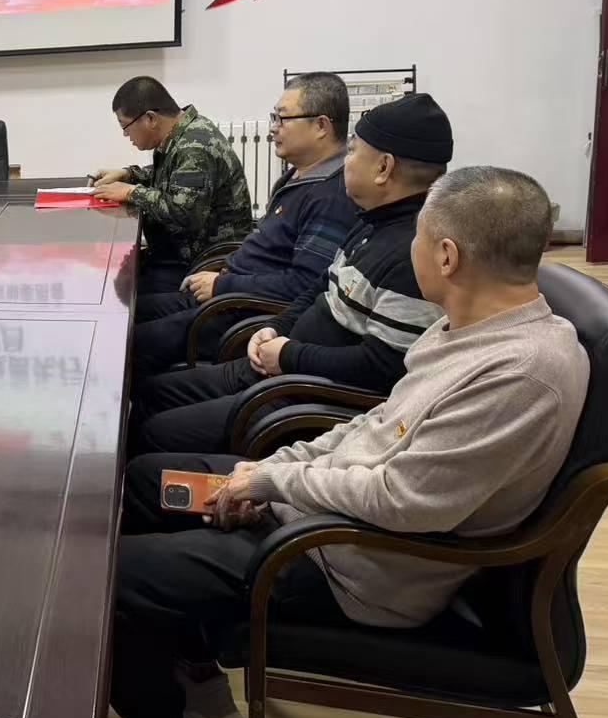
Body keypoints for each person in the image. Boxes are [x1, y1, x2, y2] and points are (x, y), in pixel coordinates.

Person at [99, 167, 589, 718]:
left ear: (446, 255)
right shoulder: (465, 329)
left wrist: (272, 484)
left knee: (113, 577)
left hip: (355, 562)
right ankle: (197, 680)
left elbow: (404, 500)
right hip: (325, 515)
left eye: (417, 237)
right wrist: (273, 469)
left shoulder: (521, 372)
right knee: (147, 482)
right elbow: (371, 427)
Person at [129, 92, 453, 456]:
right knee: (149, 394)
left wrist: (288, 355)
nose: (345, 162)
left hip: (300, 397)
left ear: (383, 168)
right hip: (276, 365)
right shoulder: (371, 223)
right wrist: (277, 328)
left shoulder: (412, 253)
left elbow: (382, 368)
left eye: (352, 152)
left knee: (153, 434)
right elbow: (318, 287)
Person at [132, 72, 360, 381]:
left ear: (321, 126)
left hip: (243, 311)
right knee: (129, 313)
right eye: (274, 117)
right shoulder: (299, 176)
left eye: (283, 119)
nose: (273, 128)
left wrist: (223, 286)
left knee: (133, 343)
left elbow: (304, 285)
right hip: (227, 290)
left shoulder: (330, 196)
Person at [91, 77, 254, 297]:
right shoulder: (183, 133)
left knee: (121, 296)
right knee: (120, 283)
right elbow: (174, 178)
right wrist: (129, 174)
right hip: (181, 252)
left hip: (202, 264)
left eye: (125, 127)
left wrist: (131, 192)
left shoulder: (195, 145)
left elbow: (184, 213)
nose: (126, 135)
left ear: (150, 118)